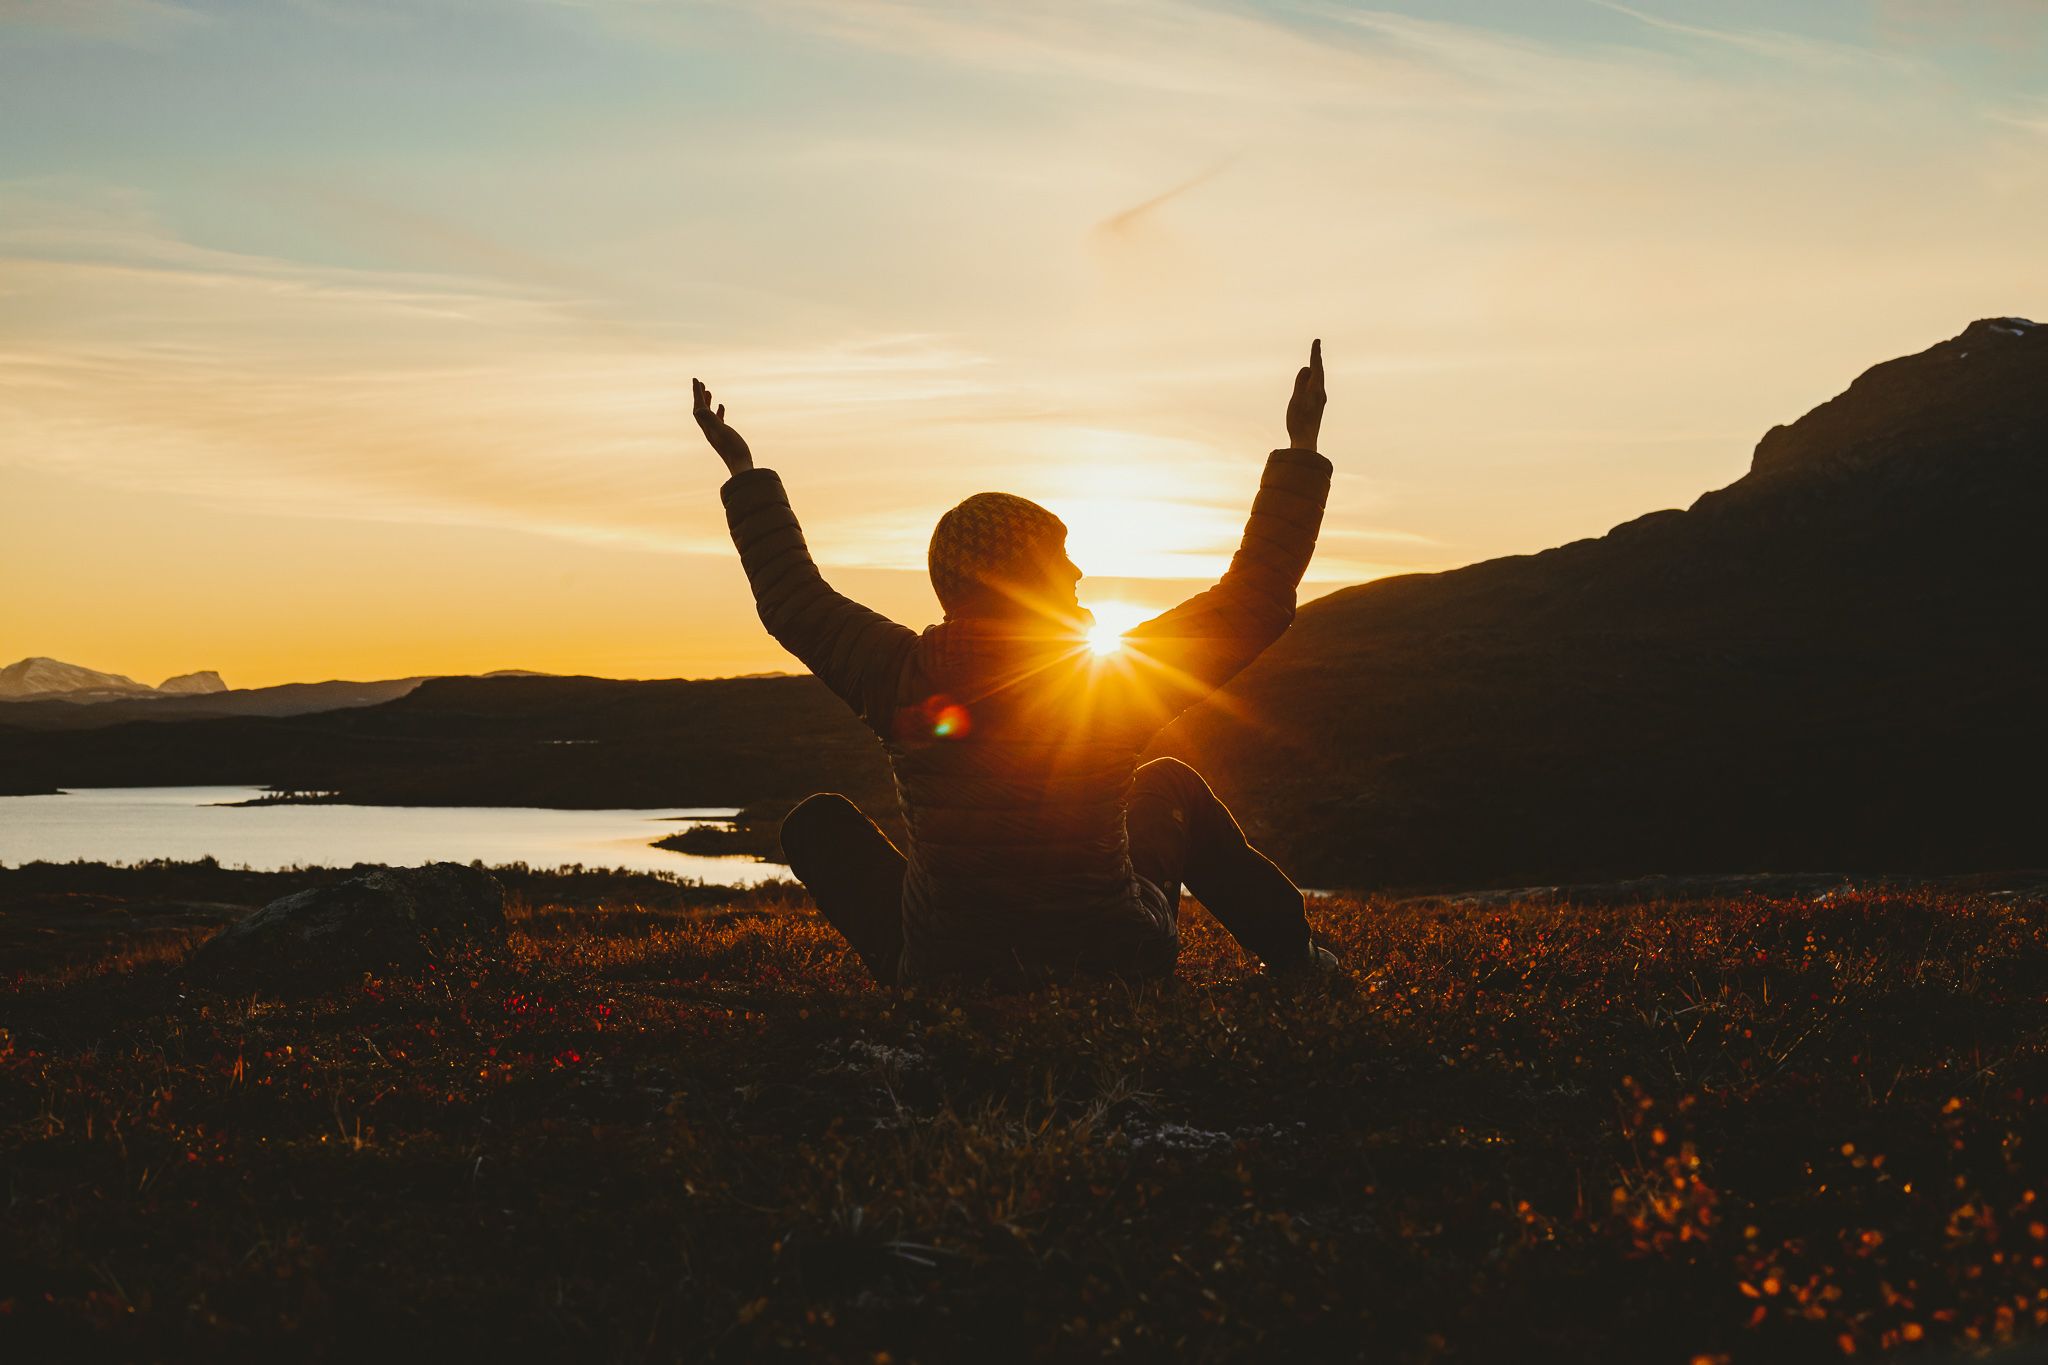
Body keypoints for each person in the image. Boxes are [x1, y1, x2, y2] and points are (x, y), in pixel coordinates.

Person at [691, 341, 1338, 987]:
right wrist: (1300, 449)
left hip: (949, 970)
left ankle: (918, 975)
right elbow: (1251, 600)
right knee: (1169, 784)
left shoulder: (899, 673)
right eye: (1059, 556)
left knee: (816, 825)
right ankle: (1297, 959)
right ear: (1021, 577)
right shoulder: (1110, 683)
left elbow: (794, 599)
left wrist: (744, 471)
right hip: (1113, 961)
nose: (1077, 569)